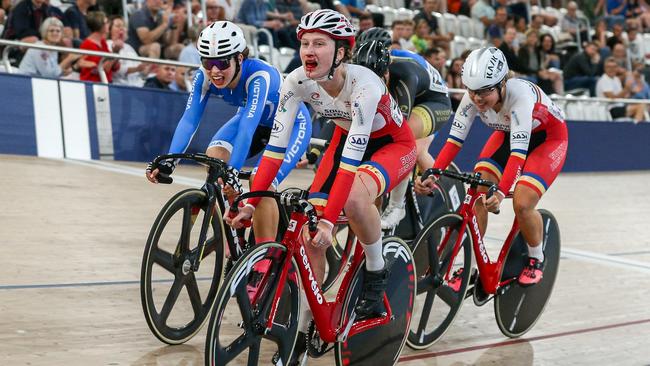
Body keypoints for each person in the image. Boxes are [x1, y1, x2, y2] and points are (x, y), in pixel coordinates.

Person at [227, 10, 416, 348]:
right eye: (304, 43)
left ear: (341, 52)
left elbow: (350, 166)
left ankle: (376, 270)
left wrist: (331, 221)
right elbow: (273, 152)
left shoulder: (365, 85)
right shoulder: (297, 80)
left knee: (355, 200)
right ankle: (305, 324)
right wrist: (251, 203)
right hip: (344, 141)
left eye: (320, 44)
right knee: (308, 232)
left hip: (391, 145)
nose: (308, 51)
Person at [146, 21, 311, 245]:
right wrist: (170, 160)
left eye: (222, 62)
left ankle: (264, 259)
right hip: (253, 121)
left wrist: (233, 171)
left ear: (239, 58)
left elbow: (247, 127)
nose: (214, 71)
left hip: (291, 126)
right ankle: (236, 224)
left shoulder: (259, 76)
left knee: (259, 181)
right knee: (215, 157)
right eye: (207, 62)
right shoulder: (203, 76)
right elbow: (189, 119)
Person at [417, 47, 568, 287]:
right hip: (507, 135)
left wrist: (499, 192)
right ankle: (472, 269)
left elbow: (518, 155)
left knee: (522, 202)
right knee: (477, 191)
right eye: (472, 91)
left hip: (547, 140)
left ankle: (536, 257)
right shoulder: (472, 98)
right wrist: (432, 173)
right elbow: (454, 142)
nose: (477, 98)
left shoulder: (520, 97)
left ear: (502, 84)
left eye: (485, 92)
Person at [354, 27, 452, 229]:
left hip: (433, 102)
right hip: (412, 96)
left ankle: (398, 206)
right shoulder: (364, 63)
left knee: (404, 144)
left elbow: (400, 130)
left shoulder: (404, 71)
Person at [596, 57, 646, 123]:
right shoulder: (604, 80)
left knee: (645, 106)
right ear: (605, 68)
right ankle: (635, 130)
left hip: (620, 106)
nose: (612, 69)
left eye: (614, 67)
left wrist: (631, 93)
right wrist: (627, 88)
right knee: (640, 107)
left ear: (617, 68)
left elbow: (621, 96)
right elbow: (612, 98)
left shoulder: (616, 79)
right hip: (610, 109)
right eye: (609, 67)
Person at [79, 11, 121, 83]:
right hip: (94, 85)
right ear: (99, 25)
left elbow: (114, 67)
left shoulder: (102, 42)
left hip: (106, 83)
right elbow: (103, 68)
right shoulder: (87, 45)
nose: (109, 25)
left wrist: (115, 56)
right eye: (106, 22)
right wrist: (115, 52)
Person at [108, 16, 148, 87]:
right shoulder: (108, 44)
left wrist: (147, 69)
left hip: (139, 86)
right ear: (110, 30)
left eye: (123, 26)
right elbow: (115, 70)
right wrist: (136, 69)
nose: (122, 28)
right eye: (118, 26)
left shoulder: (129, 47)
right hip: (121, 86)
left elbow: (141, 72)